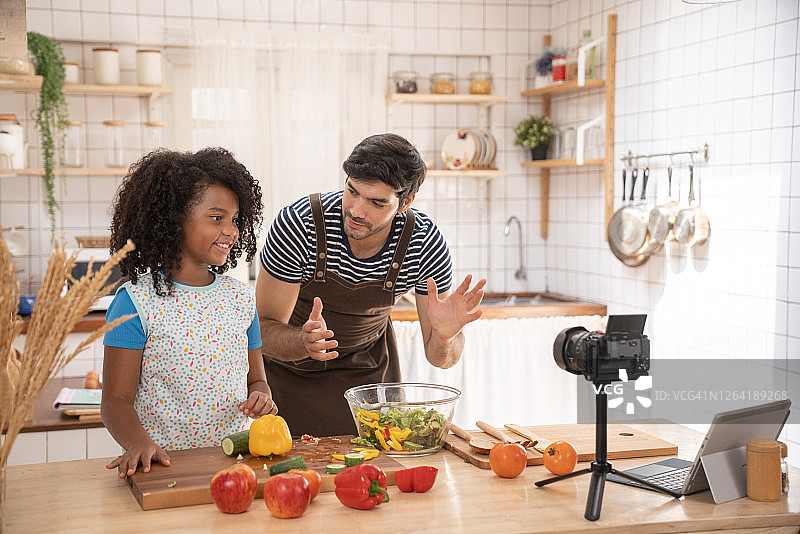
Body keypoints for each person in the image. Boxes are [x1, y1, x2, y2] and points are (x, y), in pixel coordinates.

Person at [257, 133, 485, 437]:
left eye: (377, 202)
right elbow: (263, 329)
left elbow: (441, 358)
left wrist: (444, 337)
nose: (357, 211)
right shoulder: (299, 224)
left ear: (405, 203)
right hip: (291, 376)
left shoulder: (424, 242)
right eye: (352, 191)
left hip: (371, 382)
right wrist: (302, 342)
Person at [102, 148, 277, 479]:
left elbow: (258, 380)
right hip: (161, 469)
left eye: (235, 219)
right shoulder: (135, 302)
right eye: (216, 218)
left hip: (232, 466)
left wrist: (261, 397)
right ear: (173, 220)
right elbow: (115, 401)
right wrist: (138, 443)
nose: (231, 230)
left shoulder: (241, 300)